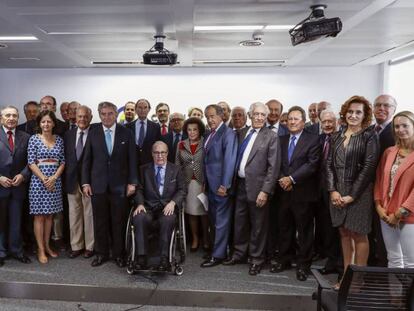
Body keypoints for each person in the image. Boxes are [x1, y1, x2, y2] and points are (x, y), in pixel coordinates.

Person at [326, 95, 379, 288]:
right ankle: (347, 276)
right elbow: (329, 165)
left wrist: (352, 195)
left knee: (359, 234)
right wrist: (333, 190)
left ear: (365, 115)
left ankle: (358, 280)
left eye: (358, 112)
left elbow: (368, 167)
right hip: (338, 193)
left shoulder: (369, 136)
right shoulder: (337, 135)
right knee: (344, 233)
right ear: (345, 112)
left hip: (359, 194)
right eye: (350, 111)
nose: (353, 115)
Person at [223, 102, 281, 276]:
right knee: (239, 223)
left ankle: (256, 259)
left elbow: (274, 167)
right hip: (239, 185)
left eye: (263, 115)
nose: (260, 118)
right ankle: (239, 254)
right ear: (250, 115)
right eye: (256, 114)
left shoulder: (271, 136)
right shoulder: (242, 133)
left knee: (258, 226)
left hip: (258, 188)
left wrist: (265, 191)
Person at [82, 102, 137, 268]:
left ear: (115, 114)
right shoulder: (93, 133)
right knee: (100, 222)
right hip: (97, 186)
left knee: (118, 221)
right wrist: (85, 182)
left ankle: (119, 254)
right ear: (99, 115)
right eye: (104, 114)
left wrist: (133, 182)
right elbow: (87, 160)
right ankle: (101, 253)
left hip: (119, 187)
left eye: (110, 113)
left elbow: (132, 160)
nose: (107, 117)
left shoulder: (126, 133)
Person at [271, 106, 320, 281]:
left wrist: (291, 179)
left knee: (304, 230)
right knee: (284, 228)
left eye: (296, 119)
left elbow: (312, 164)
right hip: (283, 192)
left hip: (303, 193)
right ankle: (284, 260)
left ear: (304, 121)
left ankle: (303, 265)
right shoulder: (280, 139)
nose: (292, 122)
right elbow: (275, 163)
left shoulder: (313, 139)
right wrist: (283, 179)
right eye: (290, 119)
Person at [132, 141, 186, 270]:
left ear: (167, 153)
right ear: (152, 154)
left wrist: (173, 203)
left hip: (167, 207)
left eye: (162, 152)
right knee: (139, 217)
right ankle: (141, 257)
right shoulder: (144, 169)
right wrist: (139, 203)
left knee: (168, 220)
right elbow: (139, 189)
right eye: (156, 152)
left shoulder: (176, 170)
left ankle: (164, 259)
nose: (159, 155)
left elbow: (182, 190)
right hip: (148, 207)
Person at [374, 111, 414, 268]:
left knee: (411, 262)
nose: (400, 129)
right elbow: (379, 180)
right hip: (386, 214)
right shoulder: (389, 152)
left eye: (405, 125)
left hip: (409, 216)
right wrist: (378, 207)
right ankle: (395, 294)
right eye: (397, 126)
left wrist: (400, 213)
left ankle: (410, 294)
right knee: (394, 259)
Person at [201, 104, 237, 268]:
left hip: (221, 186)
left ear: (222, 116)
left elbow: (229, 161)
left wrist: (225, 184)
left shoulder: (228, 133)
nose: (209, 120)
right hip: (210, 185)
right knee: (214, 220)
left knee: (221, 221)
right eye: (207, 117)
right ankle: (217, 250)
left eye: (212, 116)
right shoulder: (210, 133)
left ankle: (218, 255)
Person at [28, 110, 65, 264]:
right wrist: (44, 179)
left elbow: (63, 161)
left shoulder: (60, 140)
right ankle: (40, 249)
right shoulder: (34, 139)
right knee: (39, 216)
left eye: (49, 121)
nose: (46, 124)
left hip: (55, 182)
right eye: (43, 121)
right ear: (39, 124)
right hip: (38, 182)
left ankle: (47, 246)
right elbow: (31, 162)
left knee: (50, 216)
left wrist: (54, 178)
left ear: (54, 123)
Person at [0, 106, 32, 266]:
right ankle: (1, 252)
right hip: (1, 187)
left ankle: (17, 250)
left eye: (14, 115)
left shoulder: (26, 137)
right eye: (7, 115)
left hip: (18, 186)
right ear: (1, 118)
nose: (11, 118)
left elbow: (31, 161)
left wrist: (23, 175)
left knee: (16, 220)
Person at [369, 94, 398, 267]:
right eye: (378, 105)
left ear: (394, 109)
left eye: (386, 105)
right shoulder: (370, 130)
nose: (381, 108)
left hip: (389, 192)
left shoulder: (398, 132)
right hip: (368, 190)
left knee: (385, 237)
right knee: (370, 231)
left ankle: (383, 272)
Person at [64, 105, 94, 259]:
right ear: (75, 118)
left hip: (89, 181)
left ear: (91, 117)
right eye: (80, 116)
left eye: (85, 116)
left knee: (89, 214)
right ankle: (76, 245)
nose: (82, 119)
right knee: (74, 213)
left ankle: (90, 246)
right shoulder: (68, 135)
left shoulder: (96, 133)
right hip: (71, 180)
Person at [175, 117, 209, 252]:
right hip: (188, 183)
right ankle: (195, 239)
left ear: (200, 130)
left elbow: (209, 163)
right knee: (191, 213)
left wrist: (207, 181)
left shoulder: (206, 142)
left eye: (195, 129)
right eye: (189, 130)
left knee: (204, 213)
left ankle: (206, 238)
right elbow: (177, 165)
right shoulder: (181, 144)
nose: (192, 132)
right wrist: (179, 184)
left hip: (203, 183)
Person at [316, 110, 340, 275]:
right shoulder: (318, 140)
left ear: (337, 121)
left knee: (336, 228)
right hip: (319, 190)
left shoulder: (342, 139)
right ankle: (330, 260)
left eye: (330, 121)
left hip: (336, 191)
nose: (327, 125)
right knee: (325, 227)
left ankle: (338, 264)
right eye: (324, 122)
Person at [126, 99, 161, 166]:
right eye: (140, 107)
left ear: (149, 109)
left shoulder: (156, 127)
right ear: (135, 109)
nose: (142, 110)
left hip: (150, 165)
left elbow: (158, 147)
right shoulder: (128, 127)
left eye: (145, 107)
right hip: (132, 164)